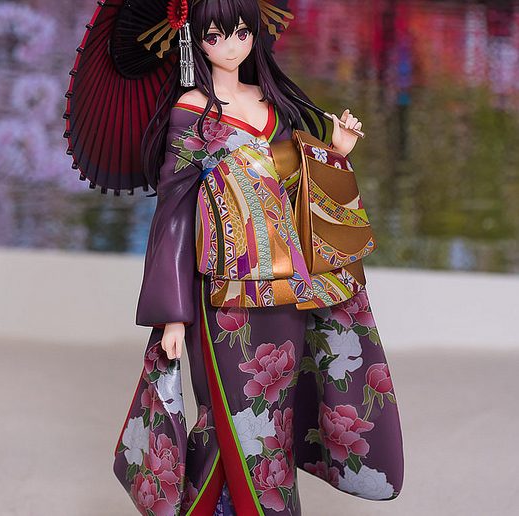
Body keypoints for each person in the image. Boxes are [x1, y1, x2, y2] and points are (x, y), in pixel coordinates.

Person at [107, 1, 404, 514]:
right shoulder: (191, 112)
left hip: (287, 288)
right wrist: (172, 314)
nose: (231, 45)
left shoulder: (274, 104)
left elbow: (294, 185)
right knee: (229, 415)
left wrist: (336, 152)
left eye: (242, 32)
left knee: (274, 419)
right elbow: (174, 216)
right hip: (223, 294)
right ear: (194, 40)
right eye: (216, 35)